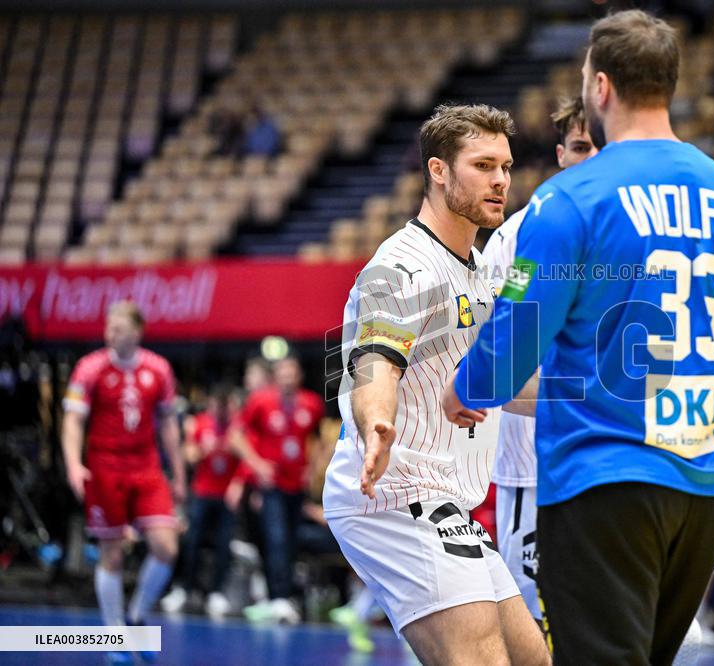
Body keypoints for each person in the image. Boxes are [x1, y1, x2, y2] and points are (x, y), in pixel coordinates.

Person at [442, 10, 714, 663]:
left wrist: (464, 387)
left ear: (600, 87)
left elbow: (504, 358)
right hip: (704, 493)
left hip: (602, 485)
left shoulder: (568, 201)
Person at [323, 104, 548, 664]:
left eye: (506, 166)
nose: (500, 180)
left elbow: (502, 383)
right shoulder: (403, 266)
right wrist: (377, 422)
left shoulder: (479, 266)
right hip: (395, 493)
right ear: (439, 171)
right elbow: (375, 358)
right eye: (483, 165)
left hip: (447, 496)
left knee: (532, 660)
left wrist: (599, 401)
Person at [482, 95, 597, 624]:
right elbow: (495, 371)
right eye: (580, 146)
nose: (592, 156)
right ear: (561, 154)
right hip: (537, 467)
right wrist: (587, 399)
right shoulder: (517, 236)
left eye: (602, 144)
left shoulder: (642, 238)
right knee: (535, 626)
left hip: (620, 466)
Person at [62, 301, 184, 665]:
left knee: (166, 547)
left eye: (117, 327)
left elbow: (168, 425)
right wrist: (73, 465)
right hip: (105, 467)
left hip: (146, 466)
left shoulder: (158, 369)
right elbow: (72, 420)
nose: (109, 333)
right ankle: (114, 633)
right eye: (107, 327)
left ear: (136, 331)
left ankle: (135, 617)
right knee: (112, 552)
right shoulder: (90, 368)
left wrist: (178, 473)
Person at [230, 355, 323, 624]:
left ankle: (283, 597)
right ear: (275, 377)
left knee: (292, 541)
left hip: (297, 486)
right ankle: (279, 597)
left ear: (299, 377)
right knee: (276, 538)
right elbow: (236, 436)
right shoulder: (261, 401)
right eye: (282, 373)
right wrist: (257, 465)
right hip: (271, 486)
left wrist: (311, 468)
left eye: (291, 373)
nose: (287, 378)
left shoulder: (311, 403)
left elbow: (316, 439)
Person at [161, 385, 240, 619]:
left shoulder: (236, 427)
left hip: (226, 495)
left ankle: (217, 592)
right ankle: (185, 588)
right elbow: (187, 454)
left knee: (223, 544)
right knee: (192, 540)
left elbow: (245, 457)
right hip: (202, 492)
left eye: (225, 406)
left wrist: (237, 483)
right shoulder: (200, 423)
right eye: (217, 405)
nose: (221, 410)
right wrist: (199, 451)